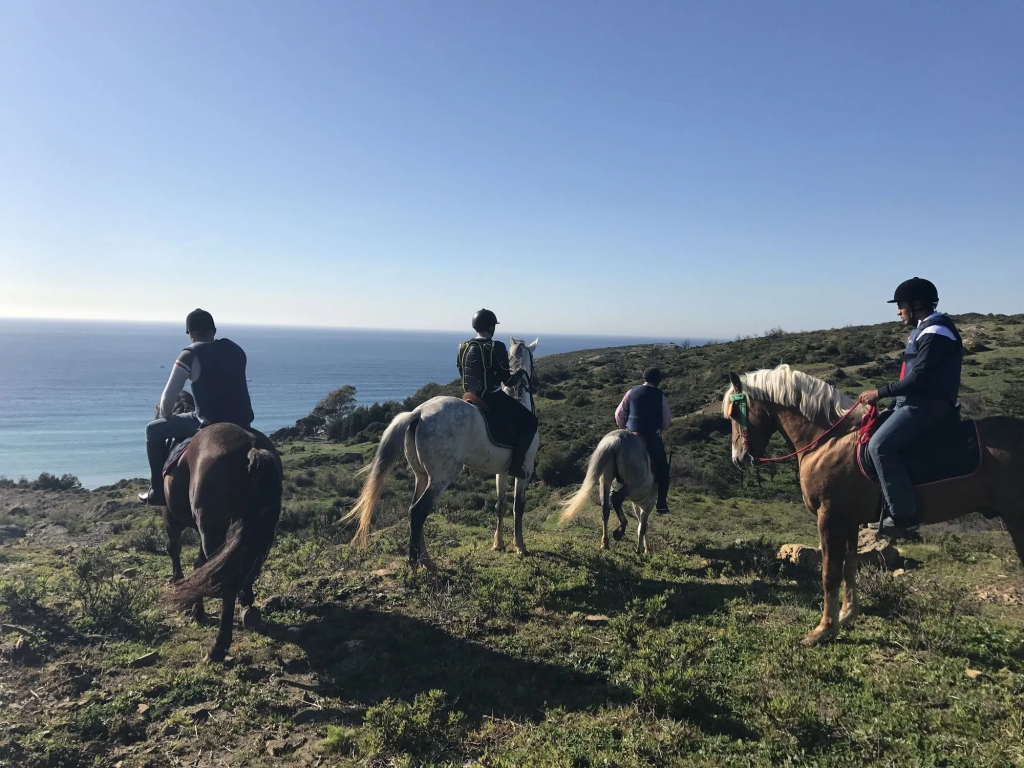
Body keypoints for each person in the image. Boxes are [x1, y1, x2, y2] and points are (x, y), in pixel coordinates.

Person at [859, 278, 963, 535]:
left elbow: (919, 378)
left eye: (901, 305)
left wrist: (879, 393)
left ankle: (904, 516)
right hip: (911, 402)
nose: (898, 311)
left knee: (879, 446)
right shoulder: (921, 330)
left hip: (927, 405)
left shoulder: (936, 332)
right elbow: (909, 375)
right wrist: (891, 404)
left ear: (916, 304)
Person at [138, 309, 255, 505]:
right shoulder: (236, 350)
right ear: (214, 331)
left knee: (152, 430)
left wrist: (165, 416)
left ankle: (157, 491)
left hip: (209, 421)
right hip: (243, 422)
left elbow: (168, 399)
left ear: (190, 333)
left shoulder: (190, 354)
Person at [457, 309, 538, 480]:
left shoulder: (463, 346)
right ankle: (516, 465)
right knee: (531, 421)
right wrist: (520, 374)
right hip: (491, 397)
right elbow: (507, 381)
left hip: (469, 396)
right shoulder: (496, 347)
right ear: (491, 327)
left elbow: (461, 371)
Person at [615, 367, 672, 514]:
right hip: (651, 436)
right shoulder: (660, 395)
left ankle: (613, 485)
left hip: (631, 434)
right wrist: (658, 428)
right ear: (658, 381)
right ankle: (661, 503)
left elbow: (619, 414)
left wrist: (625, 427)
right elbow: (666, 421)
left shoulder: (631, 392)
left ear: (644, 378)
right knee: (663, 468)